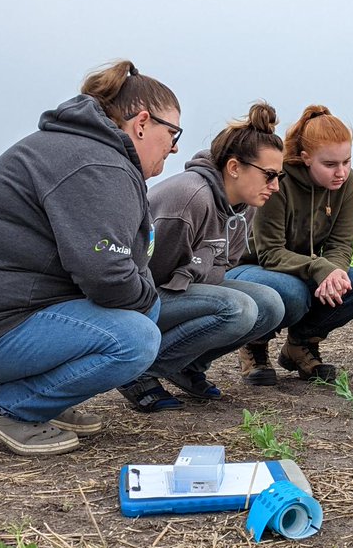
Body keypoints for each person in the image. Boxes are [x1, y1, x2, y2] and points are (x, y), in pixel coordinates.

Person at [0, 60, 180, 455]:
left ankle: (49, 401)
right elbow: (107, 274)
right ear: (142, 122)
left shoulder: (89, 152)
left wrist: (143, 294)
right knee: (137, 336)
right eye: (173, 132)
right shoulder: (96, 163)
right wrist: (146, 298)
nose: (175, 146)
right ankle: (9, 408)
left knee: (145, 312)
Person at [120, 102, 287, 410]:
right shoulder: (190, 199)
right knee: (239, 309)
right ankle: (137, 371)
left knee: (271, 305)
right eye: (269, 175)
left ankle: (186, 365)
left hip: (182, 289)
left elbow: (223, 266)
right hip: (140, 300)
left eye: (279, 176)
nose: (275, 186)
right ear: (234, 167)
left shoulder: (244, 206)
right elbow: (147, 275)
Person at [227, 105, 353, 383]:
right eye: (330, 164)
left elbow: (340, 244)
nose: (341, 172)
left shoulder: (347, 184)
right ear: (306, 158)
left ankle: (300, 345)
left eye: (347, 161)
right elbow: (269, 252)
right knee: (292, 292)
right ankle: (255, 346)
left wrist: (335, 273)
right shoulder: (277, 180)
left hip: (298, 267)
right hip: (250, 267)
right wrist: (320, 267)